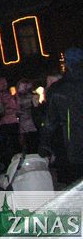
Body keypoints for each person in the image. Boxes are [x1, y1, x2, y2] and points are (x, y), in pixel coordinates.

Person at [39, 47, 83, 184]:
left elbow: (49, 121)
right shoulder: (58, 89)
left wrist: (44, 144)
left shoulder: (58, 89)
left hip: (71, 144)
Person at [0, 77, 20, 168]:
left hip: (8, 122)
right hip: (8, 122)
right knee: (12, 144)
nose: (5, 85)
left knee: (10, 144)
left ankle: (10, 163)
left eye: (5, 83)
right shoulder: (1, 95)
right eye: (2, 83)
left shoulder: (4, 95)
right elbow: (1, 110)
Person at [16, 79, 39, 153]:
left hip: (32, 123)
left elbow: (36, 108)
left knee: (32, 143)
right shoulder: (18, 97)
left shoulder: (33, 96)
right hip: (23, 124)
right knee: (25, 144)